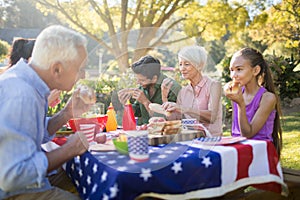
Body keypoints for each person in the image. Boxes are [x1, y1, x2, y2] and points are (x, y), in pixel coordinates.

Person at [0, 25, 94, 199]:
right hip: (13, 192)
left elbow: (30, 133)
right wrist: (69, 149)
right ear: (57, 69)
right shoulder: (22, 95)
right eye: (80, 69)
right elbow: (12, 177)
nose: (83, 76)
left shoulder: (26, 82)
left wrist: (66, 114)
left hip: (23, 183)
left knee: (87, 180)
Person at [224, 47, 282, 156]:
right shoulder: (237, 93)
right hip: (239, 149)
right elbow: (235, 132)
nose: (233, 76)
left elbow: (247, 134)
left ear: (255, 70)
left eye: (239, 69)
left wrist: (240, 104)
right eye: (231, 70)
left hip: (259, 152)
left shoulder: (267, 98)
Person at [162, 45, 223, 136]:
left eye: (187, 64)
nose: (182, 68)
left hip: (212, 141)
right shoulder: (183, 92)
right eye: (180, 64)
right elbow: (175, 121)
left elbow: (212, 117)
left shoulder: (214, 86)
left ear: (199, 65)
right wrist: (165, 98)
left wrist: (183, 109)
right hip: (191, 140)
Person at [118, 55, 181, 125]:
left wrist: (145, 101)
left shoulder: (172, 88)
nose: (138, 82)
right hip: (143, 130)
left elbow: (169, 118)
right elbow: (137, 111)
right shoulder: (143, 87)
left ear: (154, 78)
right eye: (137, 79)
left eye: (142, 80)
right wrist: (126, 105)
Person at [0, 37, 62, 107]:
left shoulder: (22, 81)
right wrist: (46, 102)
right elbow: (21, 116)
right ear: (31, 60)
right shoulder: (17, 87)